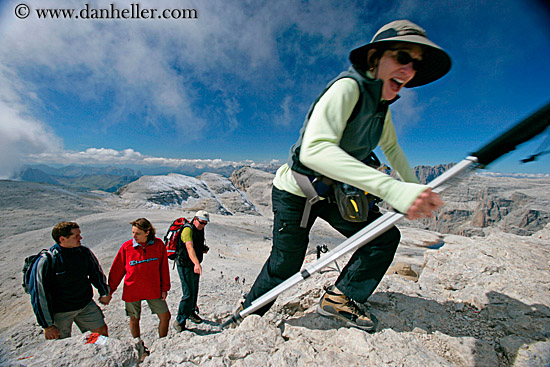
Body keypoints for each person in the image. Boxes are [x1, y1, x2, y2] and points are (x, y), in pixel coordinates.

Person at [241, 20, 450, 331]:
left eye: (416, 64)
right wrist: (392, 190)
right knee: (284, 266)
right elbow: (313, 150)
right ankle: (247, 316)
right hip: (296, 192)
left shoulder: (382, 108)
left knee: (382, 238)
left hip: (333, 192)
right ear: (375, 59)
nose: (408, 70)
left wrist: (415, 188)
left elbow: (391, 147)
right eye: (402, 57)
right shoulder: (347, 88)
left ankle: (340, 298)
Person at [28, 221, 111, 340]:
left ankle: (96, 354)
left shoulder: (83, 252)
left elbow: (95, 273)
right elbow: (39, 294)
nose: (80, 238)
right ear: (62, 239)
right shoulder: (47, 260)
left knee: (100, 333)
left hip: (85, 305)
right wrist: (47, 326)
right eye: (76, 236)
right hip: (60, 312)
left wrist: (104, 292)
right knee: (62, 342)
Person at [108, 218, 171, 339]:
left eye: (137, 233)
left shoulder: (158, 245)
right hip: (132, 290)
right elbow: (117, 271)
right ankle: (139, 346)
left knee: (165, 316)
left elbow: (163, 268)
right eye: (133, 233)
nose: (134, 236)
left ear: (147, 232)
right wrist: (110, 291)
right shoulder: (127, 247)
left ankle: (162, 342)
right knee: (134, 318)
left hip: (153, 289)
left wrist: (165, 288)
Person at [173, 210, 210, 332]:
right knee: (188, 293)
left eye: (205, 223)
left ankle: (191, 312)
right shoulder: (187, 230)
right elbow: (189, 248)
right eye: (202, 222)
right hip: (185, 265)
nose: (203, 225)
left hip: (193, 264)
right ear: (195, 219)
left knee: (194, 290)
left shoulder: (199, 229)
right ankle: (179, 321)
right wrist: (196, 264)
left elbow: (196, 246)